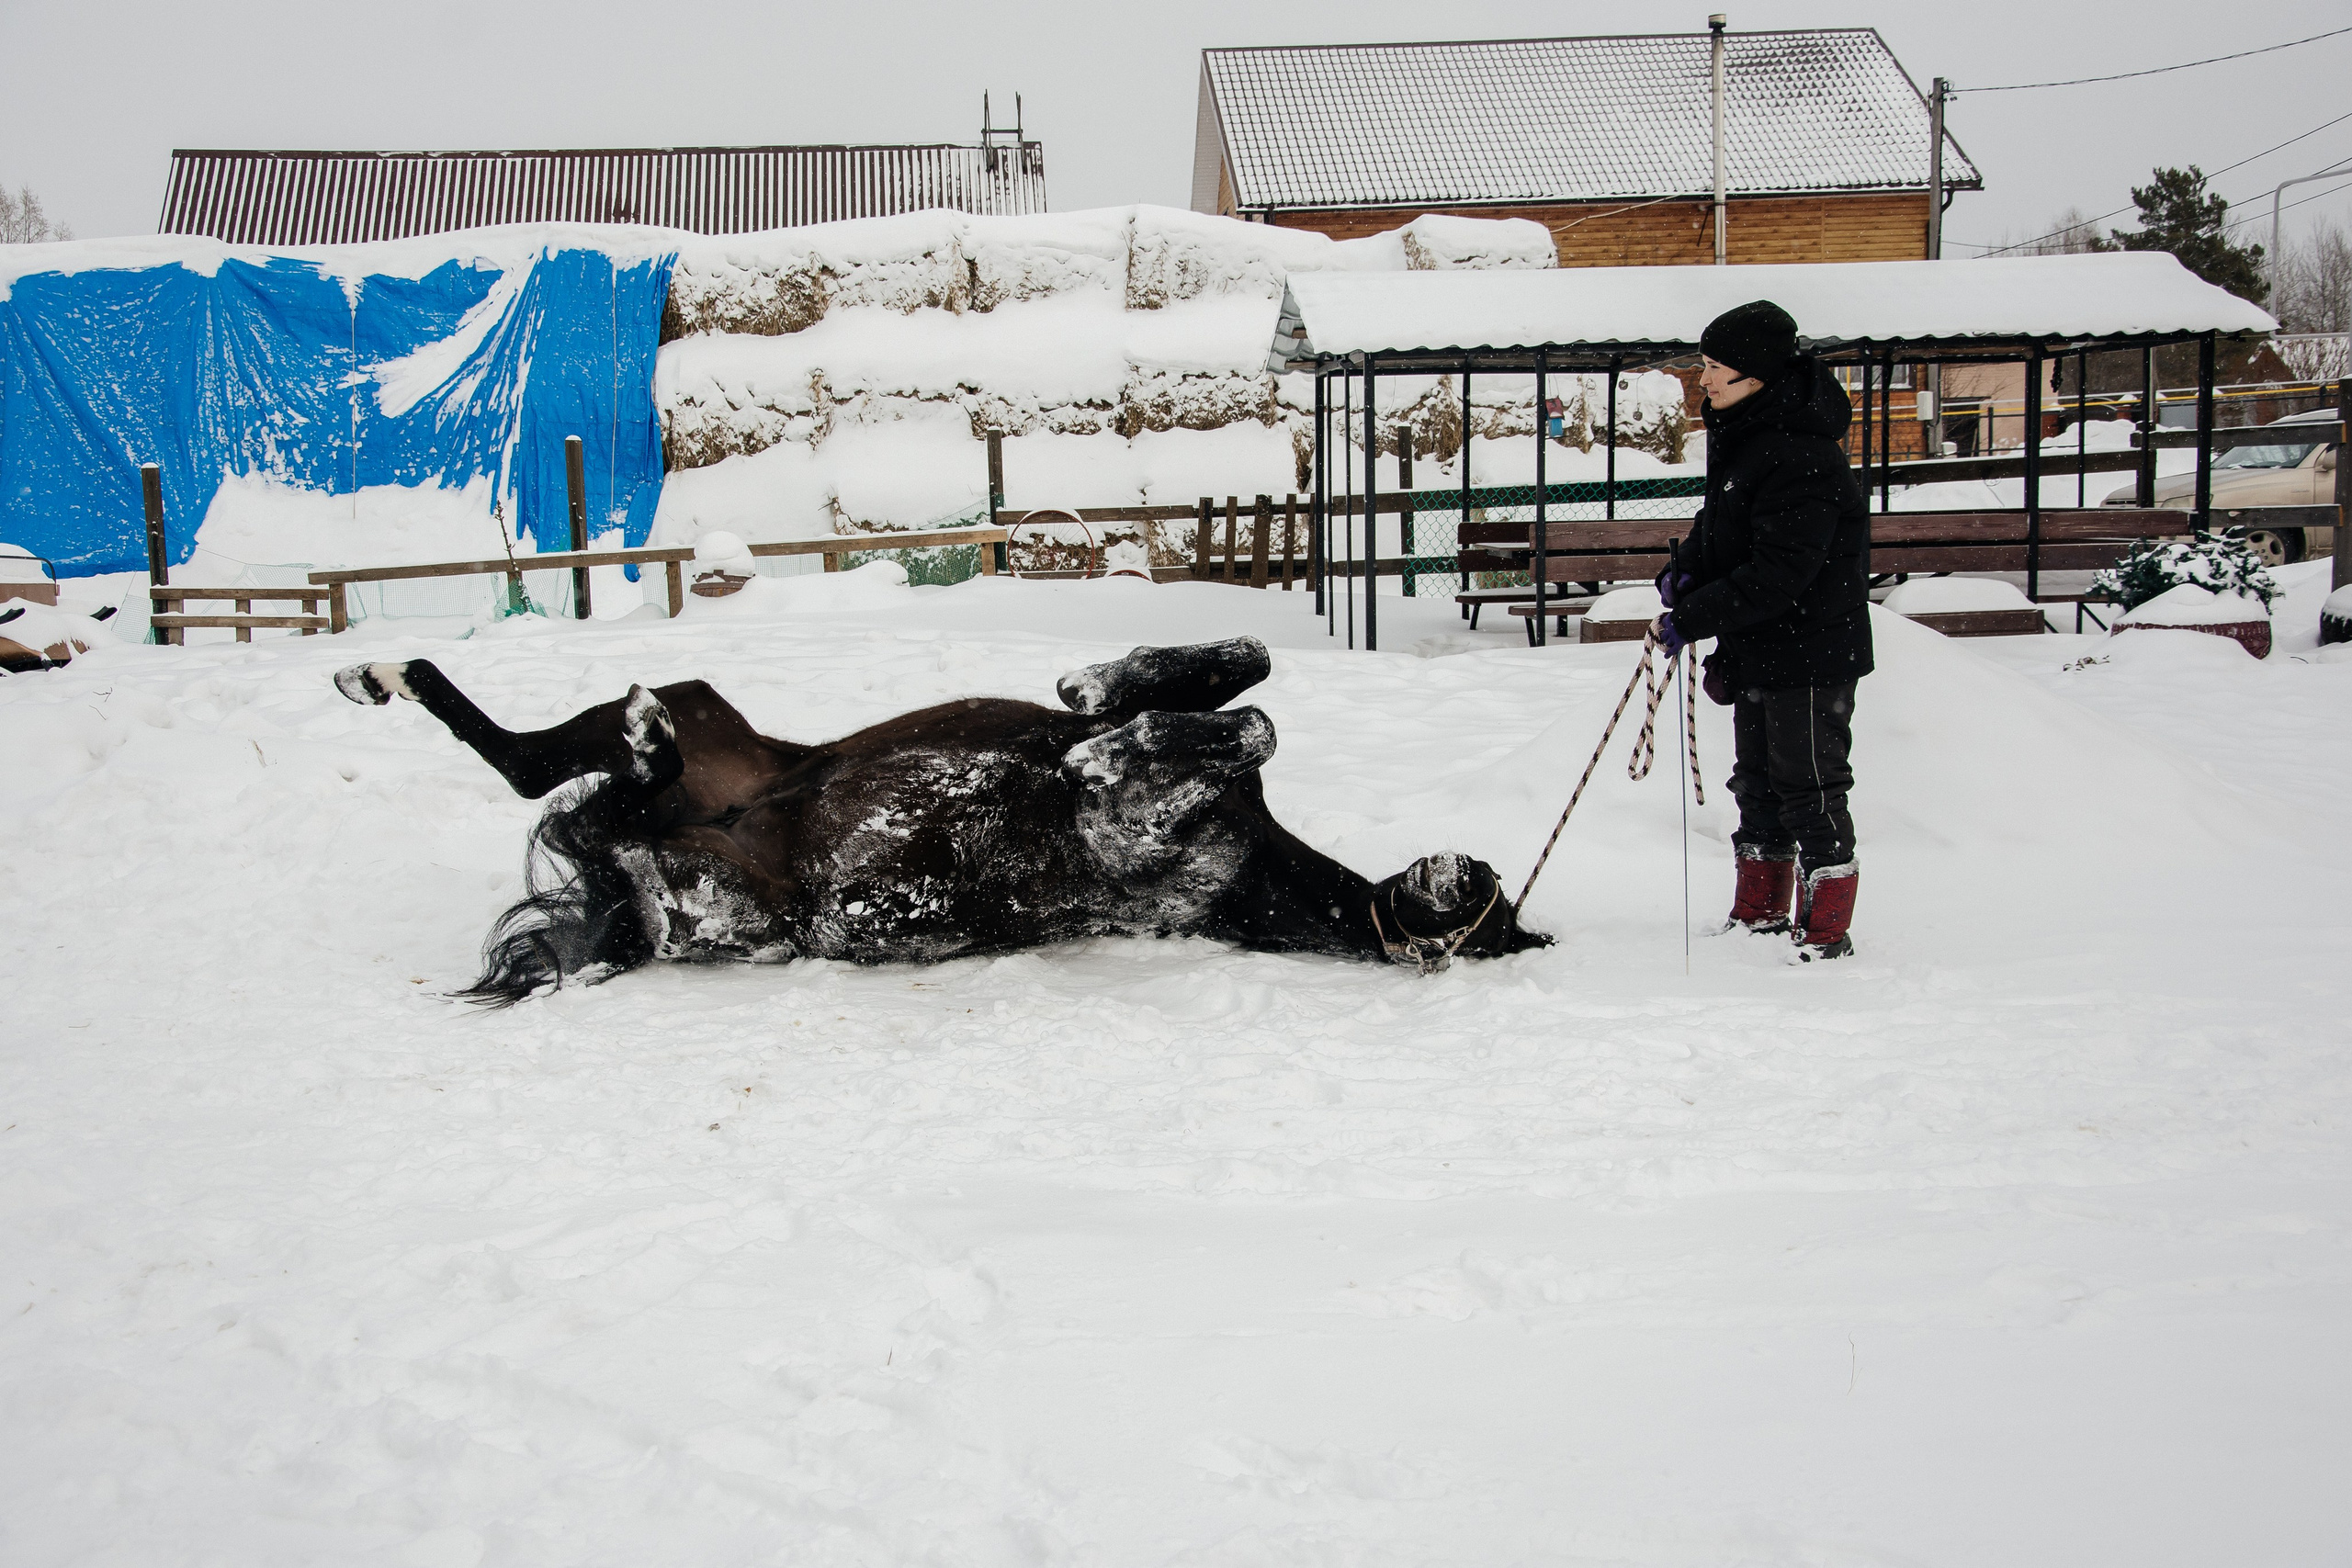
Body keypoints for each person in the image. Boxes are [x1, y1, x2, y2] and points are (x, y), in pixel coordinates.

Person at [1650, 300, 1871, 962]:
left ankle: (1825, 931)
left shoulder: (1803, 456)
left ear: (1757, 374)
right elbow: (1721, 528)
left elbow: (1780, 573)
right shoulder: (1748, 438)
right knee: (1757, 785)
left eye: (1715, 367)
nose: (1703, 380)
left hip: (1810, 651)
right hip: (1759, 647)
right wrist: (1685, 572)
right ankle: (1760, 913)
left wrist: (1692, 617)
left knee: (1810, 787)